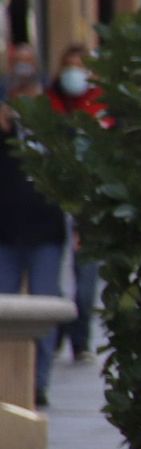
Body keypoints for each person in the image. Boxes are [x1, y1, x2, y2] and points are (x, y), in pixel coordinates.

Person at [0, 69, 68, 407]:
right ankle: (6, 384)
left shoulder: (56, 135)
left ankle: (38, 384)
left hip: (45, 236)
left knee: (43, 310)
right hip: (5, 237)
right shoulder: (4, 136)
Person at [47, 44, 110, 361]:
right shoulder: (49, 105)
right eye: (69, 65)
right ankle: (54, 333)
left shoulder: (101, 108)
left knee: (85, 282)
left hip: (88, 206)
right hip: (50, 207)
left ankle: (79, 338)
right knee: (50, 279)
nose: (75, 73)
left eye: (81, 66)